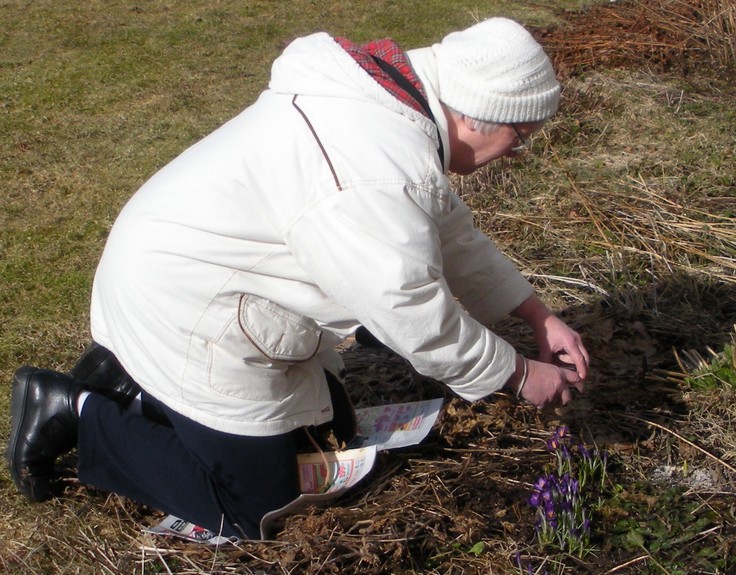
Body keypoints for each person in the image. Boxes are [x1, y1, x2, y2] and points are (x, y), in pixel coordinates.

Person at [7, 17, 589, 540]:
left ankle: (132, 382)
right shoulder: (373, 171)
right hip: (182, 302)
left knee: (329, 436)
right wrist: (515, 375)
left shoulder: (391, 106)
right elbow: (411, 312)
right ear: (473, 111)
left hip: (189, 270)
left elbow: (450, 230)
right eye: (522, 135)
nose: (518, 152)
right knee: (257, 505)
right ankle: (76, 411)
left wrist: (535, 314)